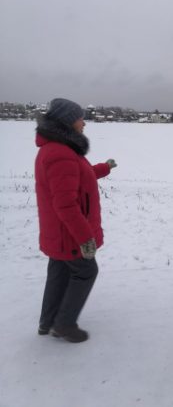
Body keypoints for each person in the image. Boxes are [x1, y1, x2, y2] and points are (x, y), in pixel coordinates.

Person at [35, 98, 117, 343]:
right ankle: (64, 324)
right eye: (80, 118)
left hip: (59, 233)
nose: (84, 123)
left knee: (59, 272)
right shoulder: (62, 153)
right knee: (86, 271)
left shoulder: (59, 149)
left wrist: (104, 168)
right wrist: (86, 238)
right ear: (68, 122)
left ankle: (47, 322)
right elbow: (66, 204)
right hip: (69, 234)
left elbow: (80, 177)